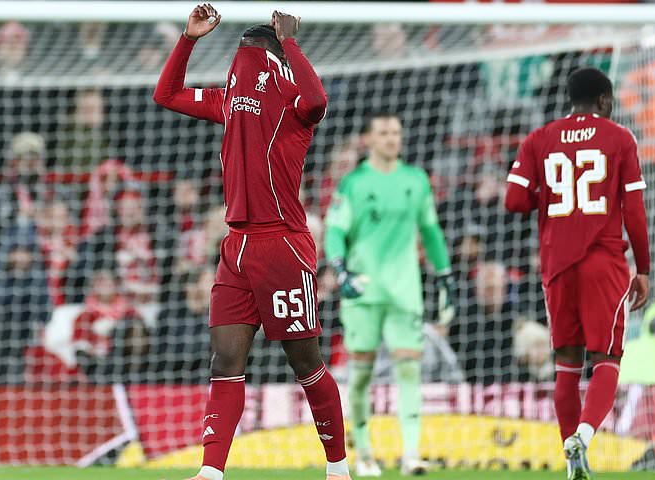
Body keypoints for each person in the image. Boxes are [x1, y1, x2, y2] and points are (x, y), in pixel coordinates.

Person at [153, 5, 349, 480]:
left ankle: (339, 468)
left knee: (305, 364)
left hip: (283, 243)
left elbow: (319, 100)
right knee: (225, 359)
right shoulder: (227, 101)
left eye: (252, 51)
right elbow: (167, 93)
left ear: (272, 62)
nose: (242, 61)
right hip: (235, 247)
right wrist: (189, 38)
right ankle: (211, 471)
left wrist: (291, 42)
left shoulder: (293, 102)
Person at [504, 67, 650, 480]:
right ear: (604, 101)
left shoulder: (539, 139)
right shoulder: (620, 138)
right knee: (607, 358)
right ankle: (583, 436)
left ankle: (571, 465)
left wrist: (549, 198)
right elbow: (634, 213)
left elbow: (514, 200)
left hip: (556, 265)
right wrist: (645, 267)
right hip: (603, 261)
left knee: (566, 365)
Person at [323, 112, 454, 477]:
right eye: (383, 132)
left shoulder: (416, 181)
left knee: (409, 369)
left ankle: (411, 452)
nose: (392, 139)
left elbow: (430, 231)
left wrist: (444, 274)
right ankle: (364, 454)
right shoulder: (352, 184)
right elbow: (335, 231)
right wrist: (339, 265)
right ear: (368, 139)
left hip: (405, 292)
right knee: (361, 375)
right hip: (363, 292)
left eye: (396, 132)